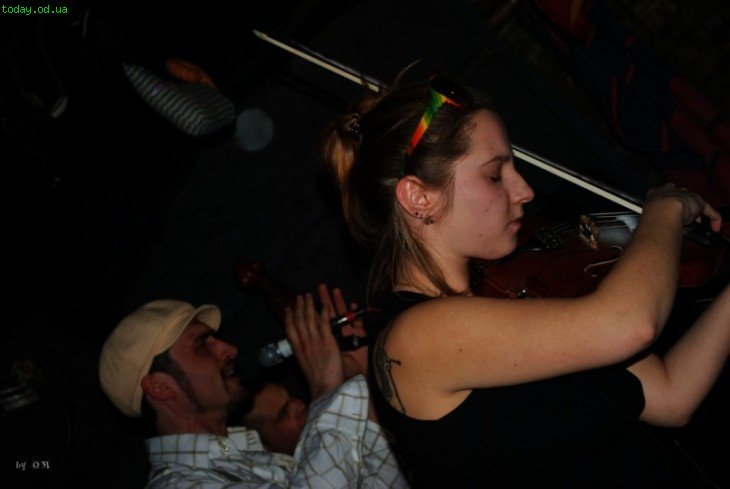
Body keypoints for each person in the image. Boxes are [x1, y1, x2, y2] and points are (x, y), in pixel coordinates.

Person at [317, 74, 730, 488]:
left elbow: (672, 395)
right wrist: (664, 211)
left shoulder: (512, 296)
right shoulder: (414, 337)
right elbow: (630, 324)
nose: (526, 191)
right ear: (420, 197)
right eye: (495, 175)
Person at [98, 284, 407, 488]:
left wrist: (355, 380)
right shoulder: (179, 484)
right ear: (160, 387)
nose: (229, 349)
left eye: (216, 338)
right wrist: (327, 386)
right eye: (202, 345)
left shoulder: (251, 455)